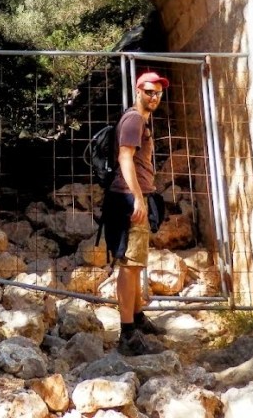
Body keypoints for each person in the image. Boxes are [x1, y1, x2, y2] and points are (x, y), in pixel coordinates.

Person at [103, 70, 169, 356]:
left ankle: (137, 317)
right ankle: (127, 332)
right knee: (129, 267)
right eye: (149, 92)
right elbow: (125, 158)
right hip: (129, 197)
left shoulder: (140, 120)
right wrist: (138, 199)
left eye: (158, 93)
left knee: (135, 263)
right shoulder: (133, 120)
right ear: (138, 90)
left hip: (133, 195)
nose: (154, 97)